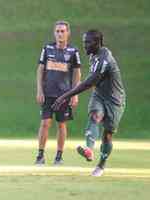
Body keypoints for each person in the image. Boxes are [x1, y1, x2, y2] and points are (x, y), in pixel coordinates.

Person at [52, 29, 126, 176]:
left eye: (88, 42)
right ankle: (89, 149)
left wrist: (65, 96)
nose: (84, 45)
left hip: (115, 100)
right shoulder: (93, 55)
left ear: (98, 43)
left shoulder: (105, 59)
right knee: (95, 116)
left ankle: (101, 165)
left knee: (107, 135)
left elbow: (89, 83)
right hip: (99, 95)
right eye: (84, 42)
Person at [35, 21, 81, 165]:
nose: (60, 34)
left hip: (64, 95)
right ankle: (40, 156)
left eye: (62, 31)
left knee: (61, 125)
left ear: (68, 33)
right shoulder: (47, 49)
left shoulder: (73, 51)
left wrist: (75, 93)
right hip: (48, 93)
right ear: (54, 33)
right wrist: (39, 90)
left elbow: (77, 73)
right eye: (57, 31)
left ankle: (59, 156)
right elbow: (40, 70)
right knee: (45, 123)